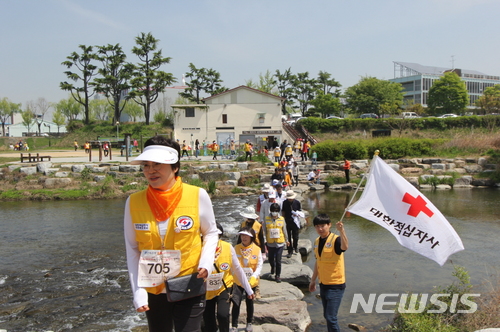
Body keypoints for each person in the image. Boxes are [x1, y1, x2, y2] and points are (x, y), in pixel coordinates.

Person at [124, 135, 219, 332]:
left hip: (189, 282)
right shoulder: (133, 202)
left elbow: (210, 232)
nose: (151, 170)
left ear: (175, 167)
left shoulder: (197, 195)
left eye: (157, 164)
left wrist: (206, 262)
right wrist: (138, 290)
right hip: (153, 287)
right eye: (146, 165)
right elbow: (133, 249)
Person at [203, 223, 254, 332]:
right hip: (205, 290)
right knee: (208, 320)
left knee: (223, 314)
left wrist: (249, 290)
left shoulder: (228, 247)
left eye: (216, 235)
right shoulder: (199, 248)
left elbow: (238, 269)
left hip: (224, 286)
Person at [309, 214, 349, 332]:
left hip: (336, 285)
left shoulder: (335, 239)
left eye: (322, 226)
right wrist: (313, 280)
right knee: (327, 316)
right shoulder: (317, 241)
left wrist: (342, 231)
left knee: (331, 317)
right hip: (323, 283)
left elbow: (345, 247)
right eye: (317, 226)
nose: (320, 229)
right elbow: (318, 262)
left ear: (329, 225)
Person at [231, 228, 263, 332]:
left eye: (246, 236)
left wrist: (254, 277)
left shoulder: (257, 249)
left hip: (251, 281)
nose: (244, 238)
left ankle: (249, 323)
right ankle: (234, 325)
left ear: (251, 237)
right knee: (236, 303)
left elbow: (259, 265)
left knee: (250, 302)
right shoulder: (235, 248)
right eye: (242, 235)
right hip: (238, 281)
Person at [262, 203, 288, 283]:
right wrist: (264, 239)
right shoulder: (266, 219)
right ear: (270, 210)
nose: (274, 212)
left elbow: (284, 230)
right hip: (270, 242)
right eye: (273, 211)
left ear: (278, 211)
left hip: (280, 242)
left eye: (276, 211)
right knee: (270, 259)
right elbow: (264, 231)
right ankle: (272, 267)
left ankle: (278, 275)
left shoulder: (282, 219)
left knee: (278, 260)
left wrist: (287, 240)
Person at [281, 190, 302, 258]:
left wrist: (297, 215)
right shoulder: (284, 202)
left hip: (295, 221)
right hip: (287, 221)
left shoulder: (297, 202)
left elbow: (299, 211)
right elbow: (283, 211)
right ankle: (290, 250)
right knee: (288, 237)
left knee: (295, 236)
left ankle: (295, 247)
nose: (290, 199)